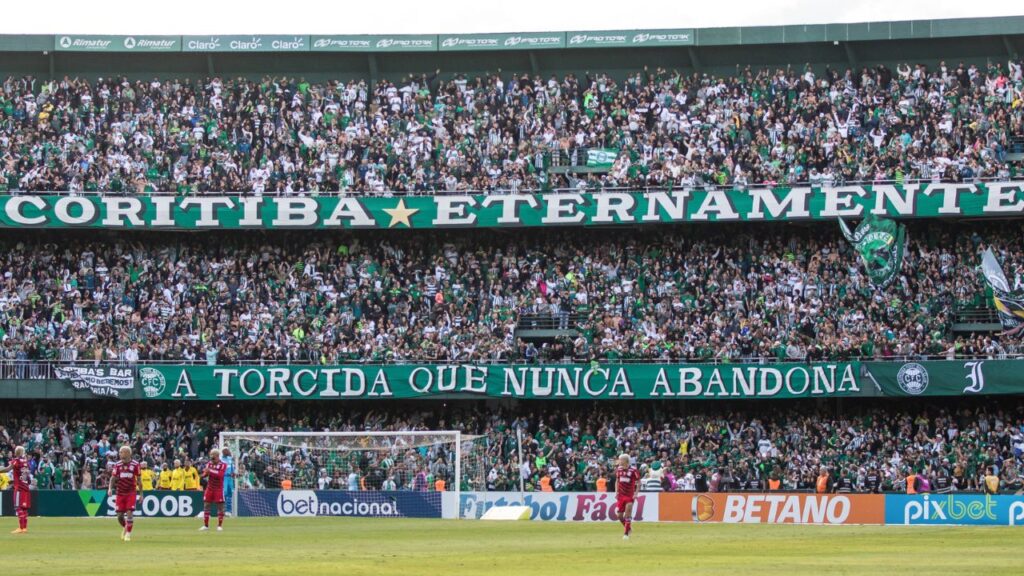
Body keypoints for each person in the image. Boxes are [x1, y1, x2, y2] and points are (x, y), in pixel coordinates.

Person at [108, 446, 142, 542]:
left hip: (131, 492)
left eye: (121, 452)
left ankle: (128, 534)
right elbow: (113, 478)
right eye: (119, 452)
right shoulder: (117, 465)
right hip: (120, 492)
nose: (120, 454)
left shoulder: (135, 465)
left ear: (128, 453)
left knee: (130, 513)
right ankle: (125, 526)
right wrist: (110, 489)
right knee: (119, 516)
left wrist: (141, 494)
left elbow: (139, 480)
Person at [0, 446, 30, 534]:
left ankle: (21, 528)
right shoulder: (25, 462)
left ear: (16, 452)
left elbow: (7, 469)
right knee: (24, 509)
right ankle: (24, 528)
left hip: (19, 488)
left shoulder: (16, 461)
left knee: (18, 507)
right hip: (25, 486)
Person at [200, 449, 228, 532]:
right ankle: (206, 525)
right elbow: (206, 474)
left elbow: (220, 475)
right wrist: (203, 475)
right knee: (206, 505)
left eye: (213, 456)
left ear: (217, 456)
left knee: (220, 506)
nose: (212, 458)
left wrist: (210, 471)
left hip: (218, 488)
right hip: (210, 488)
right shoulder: (209, 464)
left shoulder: (223, 465)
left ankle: (219, 525)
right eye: (211, 456)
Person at [614, 454, 640, 540]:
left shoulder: (633, 470)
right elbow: (617, 481)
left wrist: (636, 493)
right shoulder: (619, 470)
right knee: (619, 516)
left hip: (630, 495)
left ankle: (626, 534)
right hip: (621, 495)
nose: (619, 461)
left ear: (626, 461)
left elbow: (639, 482)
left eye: (620, 460)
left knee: (628, 512)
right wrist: (616, 491)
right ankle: (628, 528)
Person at [221, 447, 235, 514]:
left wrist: (234, 473)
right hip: (224, 478)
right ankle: (222, 510)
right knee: (224, 494)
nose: (229, 452)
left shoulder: (230, 459)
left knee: (230, 494)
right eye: (227, 451)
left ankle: (228, 511)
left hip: (230, 479)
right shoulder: (220, 460)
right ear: (224, 452)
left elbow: (232, 468)